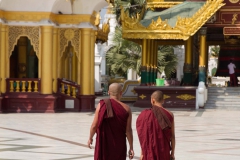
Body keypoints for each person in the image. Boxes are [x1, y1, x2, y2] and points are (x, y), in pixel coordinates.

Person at [88, 83, 134, 160]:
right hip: (119, 145)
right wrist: (131, 147)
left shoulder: (101, 105)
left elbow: (94, 126)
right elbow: (128, 131)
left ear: (109, 92)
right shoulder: (127, 109)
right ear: (121, 93)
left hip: (103, 144)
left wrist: (90, 138)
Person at [136, 90, 175, 160]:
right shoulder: (170, 114)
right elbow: (172, 136)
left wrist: (142, 153)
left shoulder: (145, 115)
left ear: (152, 100)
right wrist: (172, 153)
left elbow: (144, 136)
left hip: (149, 151)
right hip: (164, 151)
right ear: (163, 100)